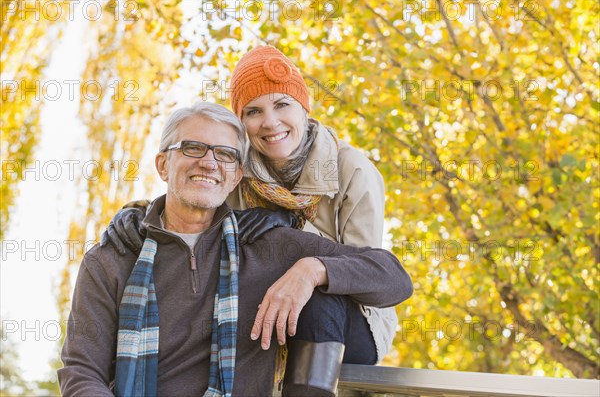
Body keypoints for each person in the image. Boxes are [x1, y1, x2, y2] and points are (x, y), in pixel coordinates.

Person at [59, 102, 413, 397]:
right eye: (192, 148)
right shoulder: (111, 259)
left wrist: (312, 270)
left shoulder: (267, 244)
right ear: (163, 164)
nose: (209, 162)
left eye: (225, 155)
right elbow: (82, 371)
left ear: (235, 175)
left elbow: (394, 279)